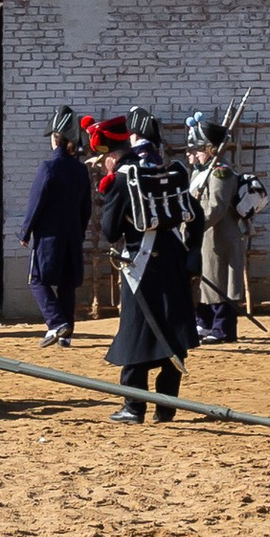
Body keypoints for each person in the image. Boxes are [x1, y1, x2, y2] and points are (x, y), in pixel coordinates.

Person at [101, 111, 198, 422]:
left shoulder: (121, 179)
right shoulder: (171, 170)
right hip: (175, 258)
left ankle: (133, 406)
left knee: (137, 334)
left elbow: (110, 231)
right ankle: (166, 407)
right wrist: (194, 250)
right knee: (170, 331)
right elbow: (194, 213)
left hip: (142, 264)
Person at [19, 115, 94, 346]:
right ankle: (66, 334)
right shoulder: (81, 170)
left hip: (49, 235)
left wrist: (26, 231)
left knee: (37, 280)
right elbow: (86, 207)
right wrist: (80, 232)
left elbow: (36, 202)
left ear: (55, 139)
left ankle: (56, 322)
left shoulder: (49, 167)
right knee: (67, 284)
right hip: (73, 234)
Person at [187, 116, 249, 345]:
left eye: (198, 150)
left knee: (221, 281)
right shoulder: (199, 173)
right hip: (203, 236)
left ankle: (223, 328)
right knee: (204, 281)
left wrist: (195, 225)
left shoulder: (221, 172)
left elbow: (217, 207)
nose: (193, 154)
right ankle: (203, 323)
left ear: (210, 149)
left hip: (219, 236)